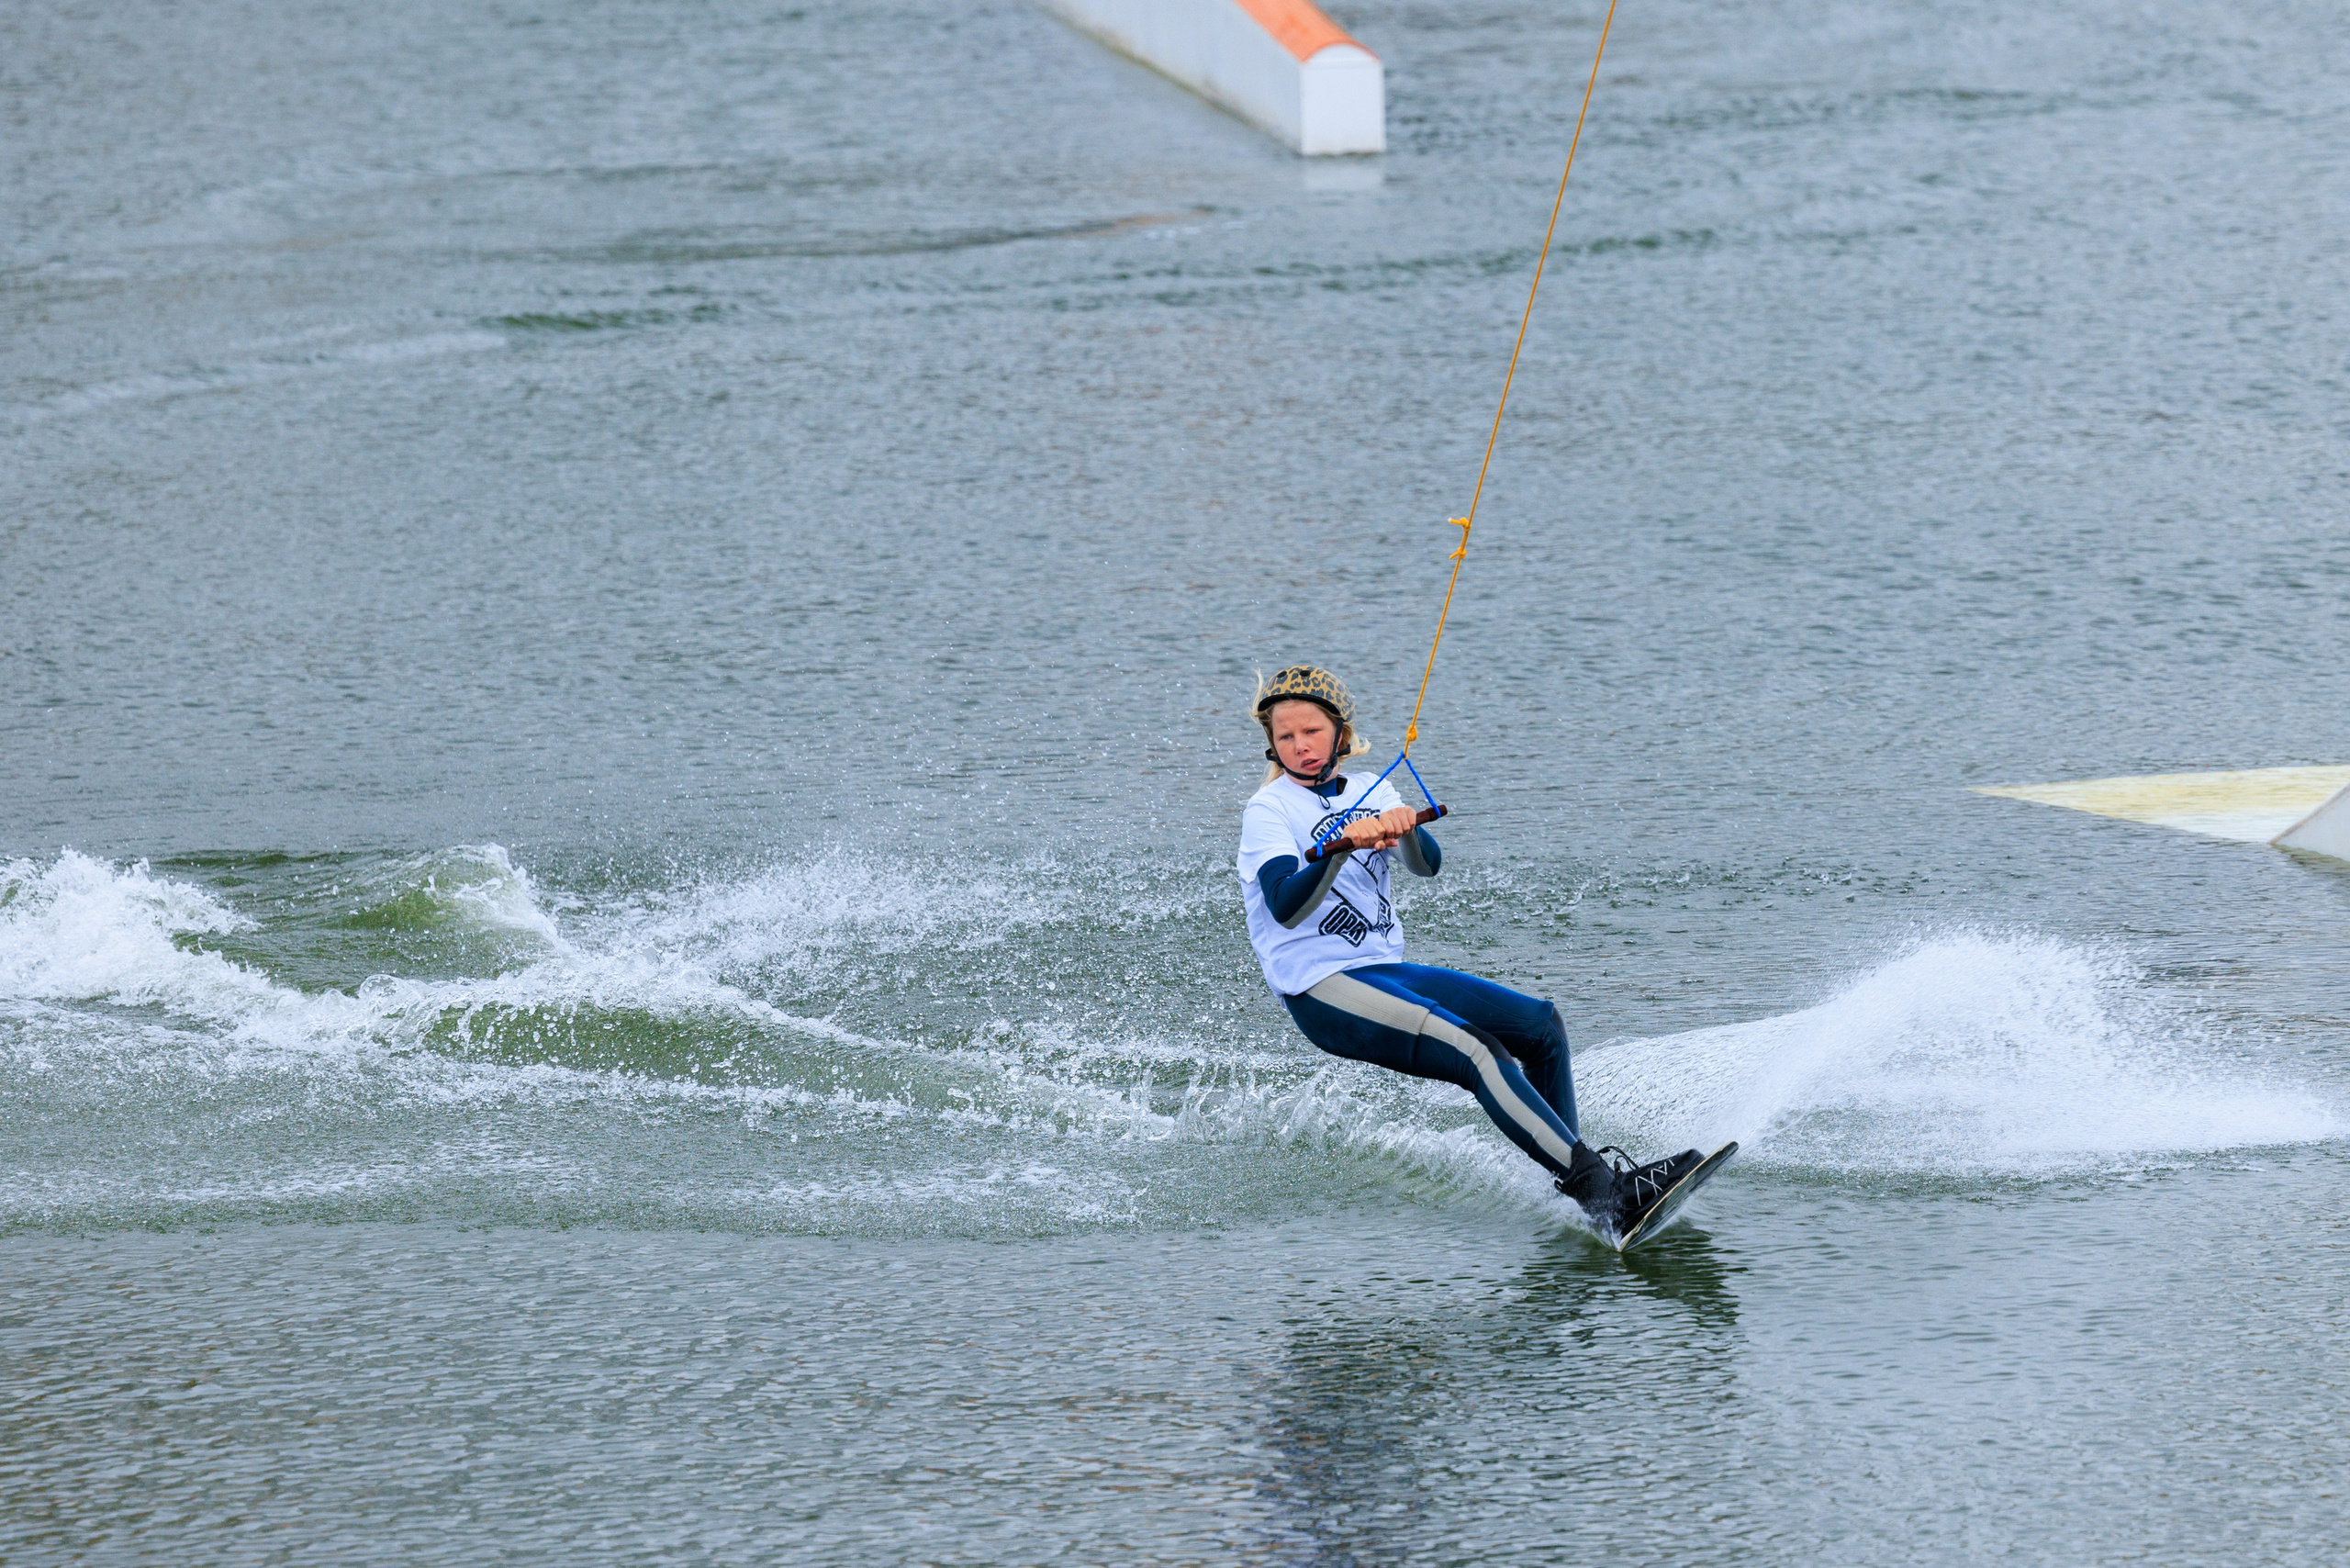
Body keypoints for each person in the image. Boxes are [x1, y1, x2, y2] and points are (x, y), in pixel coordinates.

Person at [1237, 664, 1701, 1239]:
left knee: (1541, 1025)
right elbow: (1285, 905)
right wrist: (1337, 849)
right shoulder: (1269, 811)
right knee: (1477, 1051)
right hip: (1321, 988)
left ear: (1339, 734)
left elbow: (1426, 866)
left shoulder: (1372, 789)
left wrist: (1404, 828)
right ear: (1272, 745)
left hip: (1385, 971)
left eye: (1311, 732)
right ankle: (1603, 1189)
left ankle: (1584, 1196)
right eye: (1285, 737)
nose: (1300, 746)